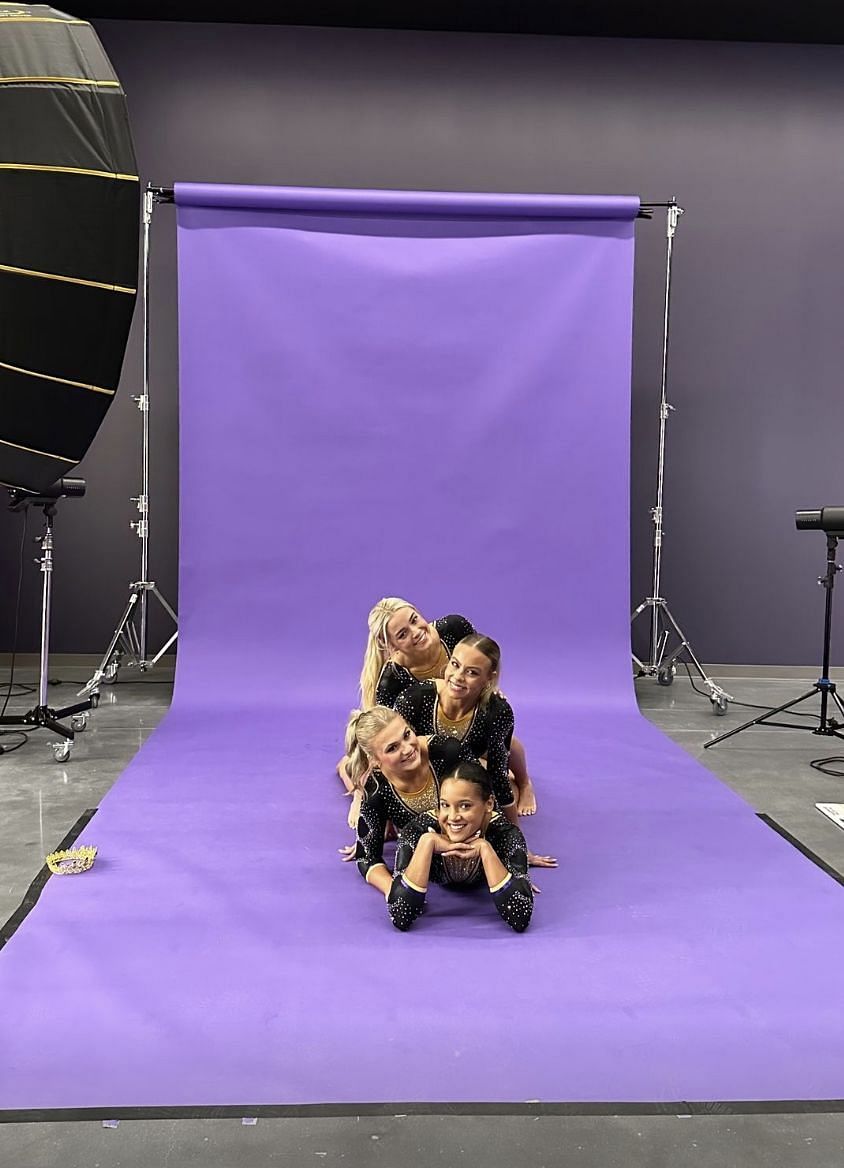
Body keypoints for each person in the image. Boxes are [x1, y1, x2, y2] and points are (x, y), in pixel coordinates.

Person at [349, 598, 537, 816]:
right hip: (429, 739)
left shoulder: (454, 628)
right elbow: (385, 733)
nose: (416, 632)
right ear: (391, 647)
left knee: (507, 743)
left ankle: (524, 783)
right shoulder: (393, 681)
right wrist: (363, 795)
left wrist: (489, 690)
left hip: (468, 718)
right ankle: (355, 785)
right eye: (403, 634)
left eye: (414, 620)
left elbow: (479, 659)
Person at [394, 634, 532, 823]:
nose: (458, 677)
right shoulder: (415, 698)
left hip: (464, 772)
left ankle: (525, 784)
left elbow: (497, 775)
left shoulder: (497, 711)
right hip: (424, 774)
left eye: (472, 672)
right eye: (455, 665)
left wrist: (518, 839)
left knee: (502, 789)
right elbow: (391, 756)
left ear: (488, 679)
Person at [343, 705, 476, 896]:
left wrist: (509, 866)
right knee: (352, 776)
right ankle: (346, 773)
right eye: (392, 748)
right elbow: (367, 858)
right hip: (428, 847)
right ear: (375, 760)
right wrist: (395, 890)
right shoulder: (377, 789)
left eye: (406, 735)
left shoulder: (447, 752)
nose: (407, 749)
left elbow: (488, 804)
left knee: (503, 777)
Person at [388, 761, 534, 932]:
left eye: (465, 806)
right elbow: (400, 915)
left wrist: (486, 851)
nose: (453, 817)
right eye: (445, 805)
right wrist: (427, 844)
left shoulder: (505, 834)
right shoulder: (417, 831)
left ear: (489, 804)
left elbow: (520, 917)